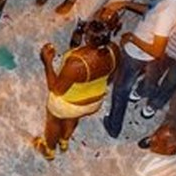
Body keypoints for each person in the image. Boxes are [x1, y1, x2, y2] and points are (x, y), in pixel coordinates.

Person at [103, 0, 176, 139]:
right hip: (141, 41)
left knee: (121, 89)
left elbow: (157, 51)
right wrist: (125, 4)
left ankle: (114, 126)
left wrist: (131, 38)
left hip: (138, 52)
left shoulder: (168, 13)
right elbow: (151, 9)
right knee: (123, 79)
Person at [35, 20, 119, 161]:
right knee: (73, 118)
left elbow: (56, 90)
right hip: (94, 102)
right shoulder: (114, 50)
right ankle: (64, 141)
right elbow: (111, 78)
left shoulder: (77, 63)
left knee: (53, 123)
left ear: (86, 38)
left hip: (68, 104)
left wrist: (47, 62)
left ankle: (49, 150)